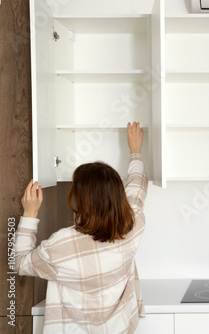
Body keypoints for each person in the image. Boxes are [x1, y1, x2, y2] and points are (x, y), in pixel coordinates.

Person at [15, 122, 148, 333]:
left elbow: (21, 263)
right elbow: (137, 189)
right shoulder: (133, 225)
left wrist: (30, 214)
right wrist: (136, 152)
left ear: (80, 200)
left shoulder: (62, 244)